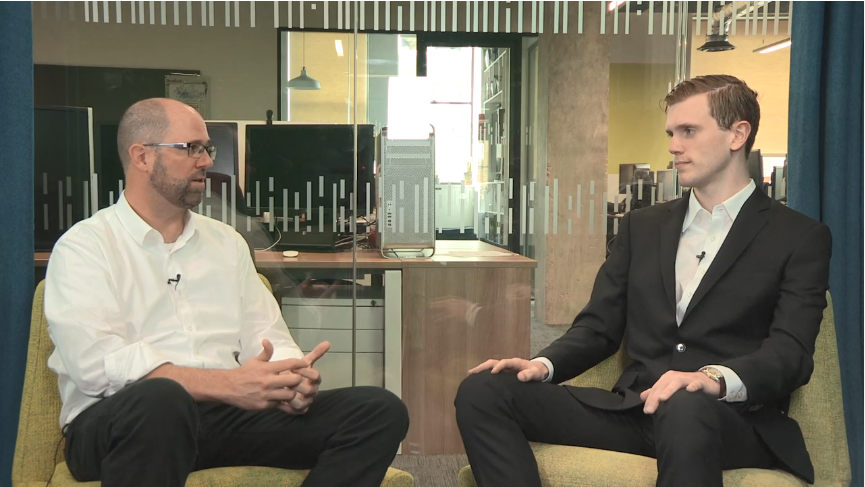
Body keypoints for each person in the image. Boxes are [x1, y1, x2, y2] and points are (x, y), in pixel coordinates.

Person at [455, 75, 831, 487]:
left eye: (689, 131)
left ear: (737, 135)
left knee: (685, 403)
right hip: (635, 409)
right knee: (483, 390)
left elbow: (790, 353)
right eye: (671, 133)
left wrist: (711, 379)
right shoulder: (642, 226)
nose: (674, 146)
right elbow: (598, 328)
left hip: (729, 420)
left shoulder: (797, 236)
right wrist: (542, 365)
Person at [45, 98, 409, 487]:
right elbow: (97, 367)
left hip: (223, 417)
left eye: (207, 149)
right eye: (191, 148)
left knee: (379, 410)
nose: (205, 161)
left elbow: (265, 336)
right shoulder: (85, 247)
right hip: (119, 422)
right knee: (161, 399)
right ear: (142, 157)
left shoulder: (226, 242)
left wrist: (288, 378)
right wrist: (227, 384)